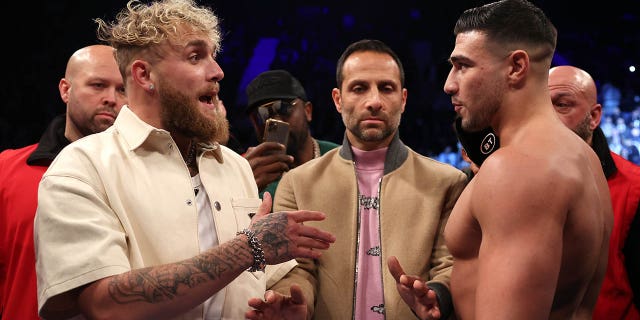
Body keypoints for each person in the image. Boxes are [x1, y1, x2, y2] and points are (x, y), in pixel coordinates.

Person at [33, 1, 335, 319]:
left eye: (213, 57)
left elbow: (273, 275)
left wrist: (283, 302)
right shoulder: (81, 169)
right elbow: (105, 304)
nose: (217, 72)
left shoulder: (234, 166)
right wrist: (247, 247)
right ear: (144, 74)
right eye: (195, 57)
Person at [392, 1, 613, 319]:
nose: (449, 84)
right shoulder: (585, 158)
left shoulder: (517, 169)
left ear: (516, 67)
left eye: (463, 66)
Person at [247, 39, 468, 319]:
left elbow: (450, 264)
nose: (374, 101)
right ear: (338, 100)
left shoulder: (447, 182)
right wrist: (295, 300)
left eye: (386, 88)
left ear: (403, 99)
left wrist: (437, 294)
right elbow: (296, 268)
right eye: (359, 88)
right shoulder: (298, 183)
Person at [0, 44, 126, 320]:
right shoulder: (6, 171)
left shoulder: (148, 178)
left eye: (122, 89)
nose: (111, 98)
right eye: (97, 85)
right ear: (65, 90)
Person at [548, 65, 640, 320]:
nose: (549, 118)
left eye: (562, 105)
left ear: (594, 117)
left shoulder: (633, 188)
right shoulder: (513, 181)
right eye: (541, 108)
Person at [243, 69, 339, 198]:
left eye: (284, 108)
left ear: (307, 111)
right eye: (262, 115)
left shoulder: (339, 158)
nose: (275, 121)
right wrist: (243, 189)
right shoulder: (252, 176)